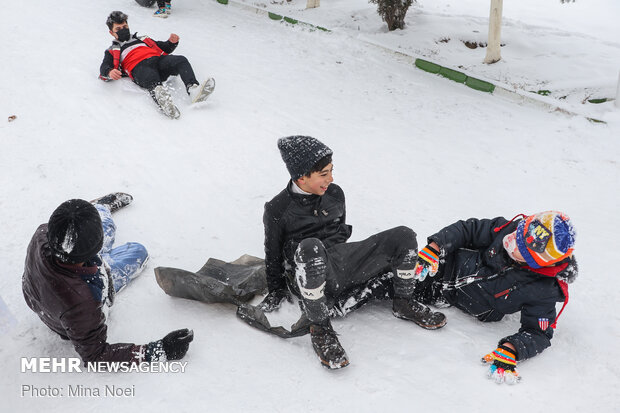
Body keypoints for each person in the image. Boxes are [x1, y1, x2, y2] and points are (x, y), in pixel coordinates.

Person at [261, 135, 446, 369]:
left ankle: (403, 301)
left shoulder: (335, 193)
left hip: (341, 261)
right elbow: (273, 254)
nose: (331, 178)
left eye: (331, 171)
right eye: (324, 174)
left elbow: (340, 233)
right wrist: (276, 289)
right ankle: (320, 328)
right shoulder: (277, 209)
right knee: (310, 247)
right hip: (310, 272)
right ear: (302, 176)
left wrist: (354, 258)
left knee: (404, 235)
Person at [22, 193, 194, 365]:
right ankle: (99, 214)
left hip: (49, 287)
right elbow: (96, 356)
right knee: (138, 251)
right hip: (68, 307)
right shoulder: (83, 302)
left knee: (97, 230)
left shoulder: (42, 234)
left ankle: (100, 209)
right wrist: (158, 351)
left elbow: (75, 238)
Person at [412, 211, 577, 384]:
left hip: (460, 301)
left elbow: (538, 332)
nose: (511, 241)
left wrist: (513, 348)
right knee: (398, 271)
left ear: (534, 263)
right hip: (441, 267)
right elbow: (468, 230)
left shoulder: (544, 289)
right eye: (517, 234)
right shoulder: (505, 229)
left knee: (399, 287)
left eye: (520, 247)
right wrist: (435, 247)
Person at [99, 11, 215, 119]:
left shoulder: (142, 39)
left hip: (158, 61)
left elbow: (162, 47)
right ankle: (164, 101)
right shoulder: (112, 50)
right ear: (111, 32)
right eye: (118, 29)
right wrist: (110, 72)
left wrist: (171, 42)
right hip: (139, 67)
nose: (122, 30)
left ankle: (193, 88)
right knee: (150, 77)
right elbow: (104, 67)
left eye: (124, 27)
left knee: (180, 60)